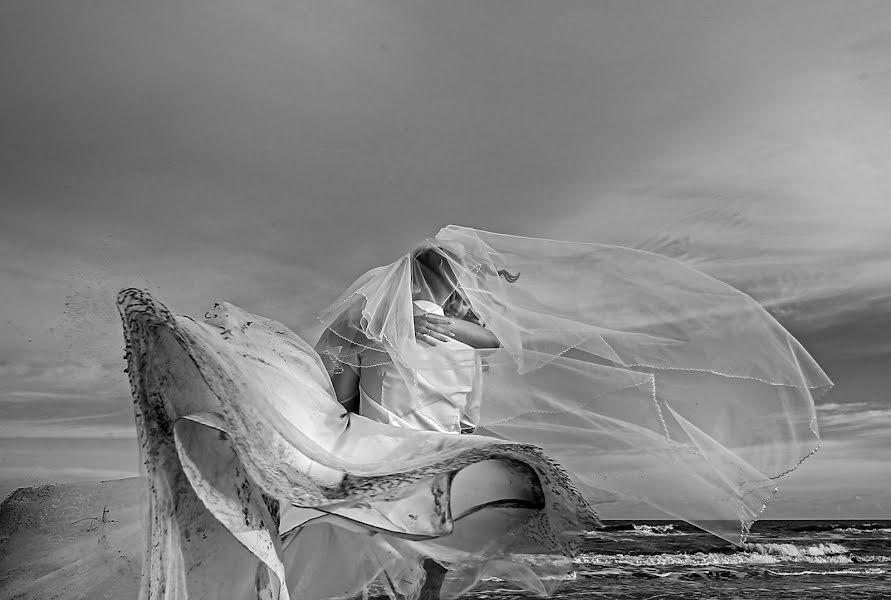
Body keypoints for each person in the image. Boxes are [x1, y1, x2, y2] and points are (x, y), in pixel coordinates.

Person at [110, 224, 830, 600]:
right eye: (458, 282)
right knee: (411, 537)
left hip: (426, 445)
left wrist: (436, 333)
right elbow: (388, 370)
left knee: (412, 538)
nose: (464, 292)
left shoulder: (428, 328)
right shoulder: (408, 324)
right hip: (408, 445)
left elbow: (403, 366)